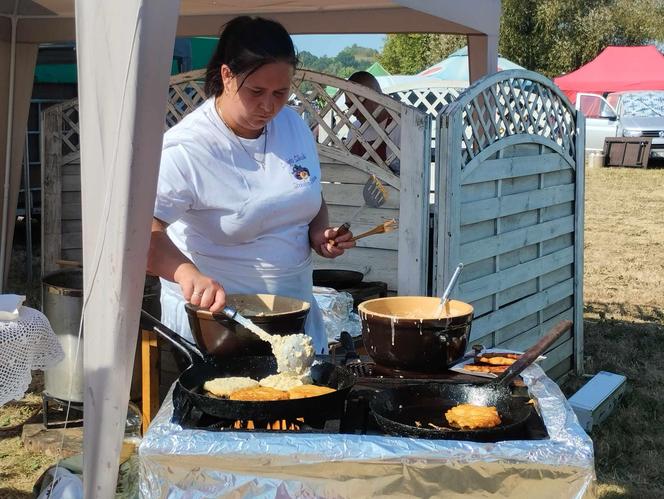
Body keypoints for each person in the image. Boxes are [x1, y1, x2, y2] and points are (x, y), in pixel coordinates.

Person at [147, 16, 354, 354]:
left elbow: (308, 190)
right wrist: (186, 273)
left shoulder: (293, 126)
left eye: (281, 93)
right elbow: (143, 233)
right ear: (227, 76)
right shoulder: (188, 148)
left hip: (294, 313)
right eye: (256, 91)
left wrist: (320, 232)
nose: (269, 106)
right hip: (223, 326)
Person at [345, 71, 401, 175]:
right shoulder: (355, 129)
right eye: (349, 106)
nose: (352, 111)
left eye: (356, 104)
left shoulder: (399, 128)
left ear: (375, 97)